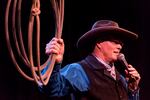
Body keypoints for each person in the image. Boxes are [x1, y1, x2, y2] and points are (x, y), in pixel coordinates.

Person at [40, 20, 141, 100]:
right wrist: (54, 62)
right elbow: (52, 90)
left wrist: (133, 89)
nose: (119, 46)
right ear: (99, 43)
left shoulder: (121, 79)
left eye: (121, 43)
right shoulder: (80, 70)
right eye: (114, 41)